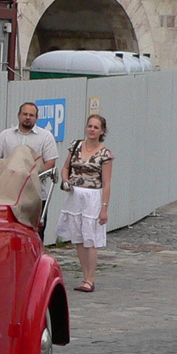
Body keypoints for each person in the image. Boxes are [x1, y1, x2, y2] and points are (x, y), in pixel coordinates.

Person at [56, 114, 113, 293]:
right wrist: (65, 180)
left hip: (93, 197)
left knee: (90, 237)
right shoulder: (75, 146)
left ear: (102, 131)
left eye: (96, 127)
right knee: (78, 236)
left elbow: (107, 182)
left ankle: (91, 278)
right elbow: (66, 167)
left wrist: (104, 208)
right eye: (90, 126)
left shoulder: (105, 154)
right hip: (75, 195)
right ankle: (84, 275)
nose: (92, 130)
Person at [0, 102, 57, 173]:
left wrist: (34, 176)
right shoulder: (5, 135)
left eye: (31, 115)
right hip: (8, 181)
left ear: (37, 118)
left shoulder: (46, 136)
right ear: (18, 115)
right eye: (25, 114)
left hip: (35, 183)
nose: (28, 117)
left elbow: (50, 162)